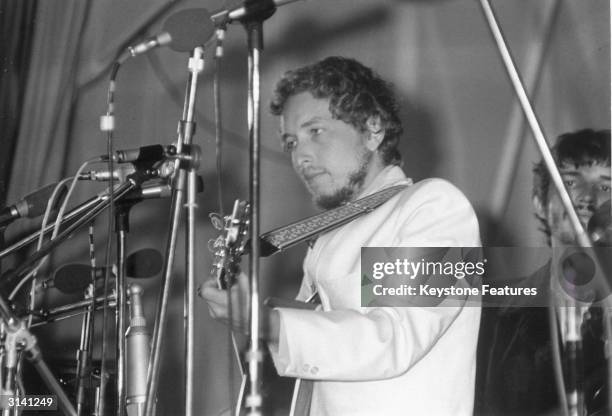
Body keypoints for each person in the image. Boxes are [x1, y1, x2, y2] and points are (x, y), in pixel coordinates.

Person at [202, 56, 481, 415]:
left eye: (315, 131)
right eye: (290, 143)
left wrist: (267, 322)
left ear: (372, 129)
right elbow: (314, 366)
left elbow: (395, 336)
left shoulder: (433, 206)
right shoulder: (330, 236)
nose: (300, 155)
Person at [475, 129, 611, 415]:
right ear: (539, 202)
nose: (586, 198)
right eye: (571, 182)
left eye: (606, 187)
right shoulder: (496, 313)